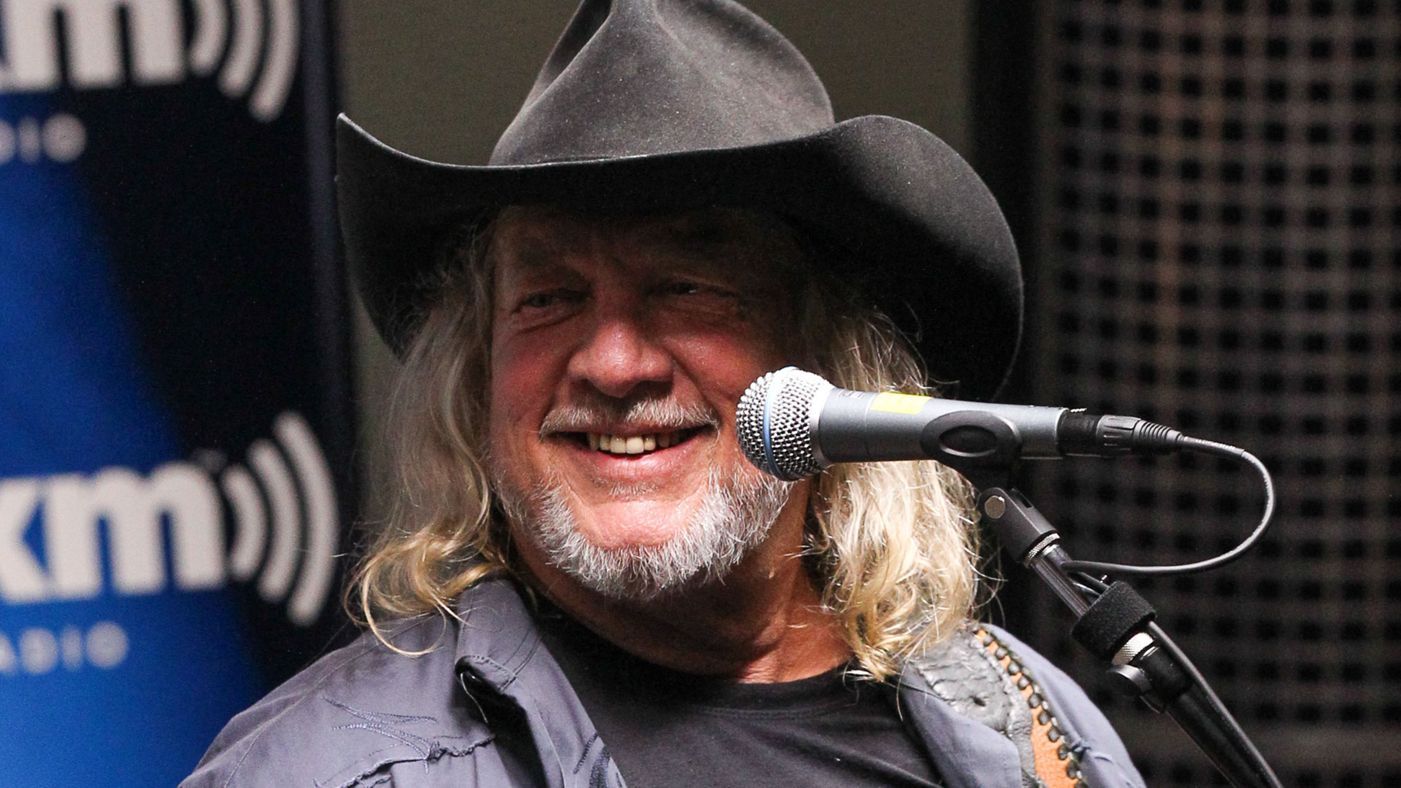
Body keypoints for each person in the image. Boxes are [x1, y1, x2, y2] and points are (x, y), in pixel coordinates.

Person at [186, 1, 1143, 786]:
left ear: (829, 362)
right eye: (548, 299)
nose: (612, 365)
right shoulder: (324, 773)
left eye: (686, 288)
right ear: (478, 380)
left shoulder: (1029, 728)